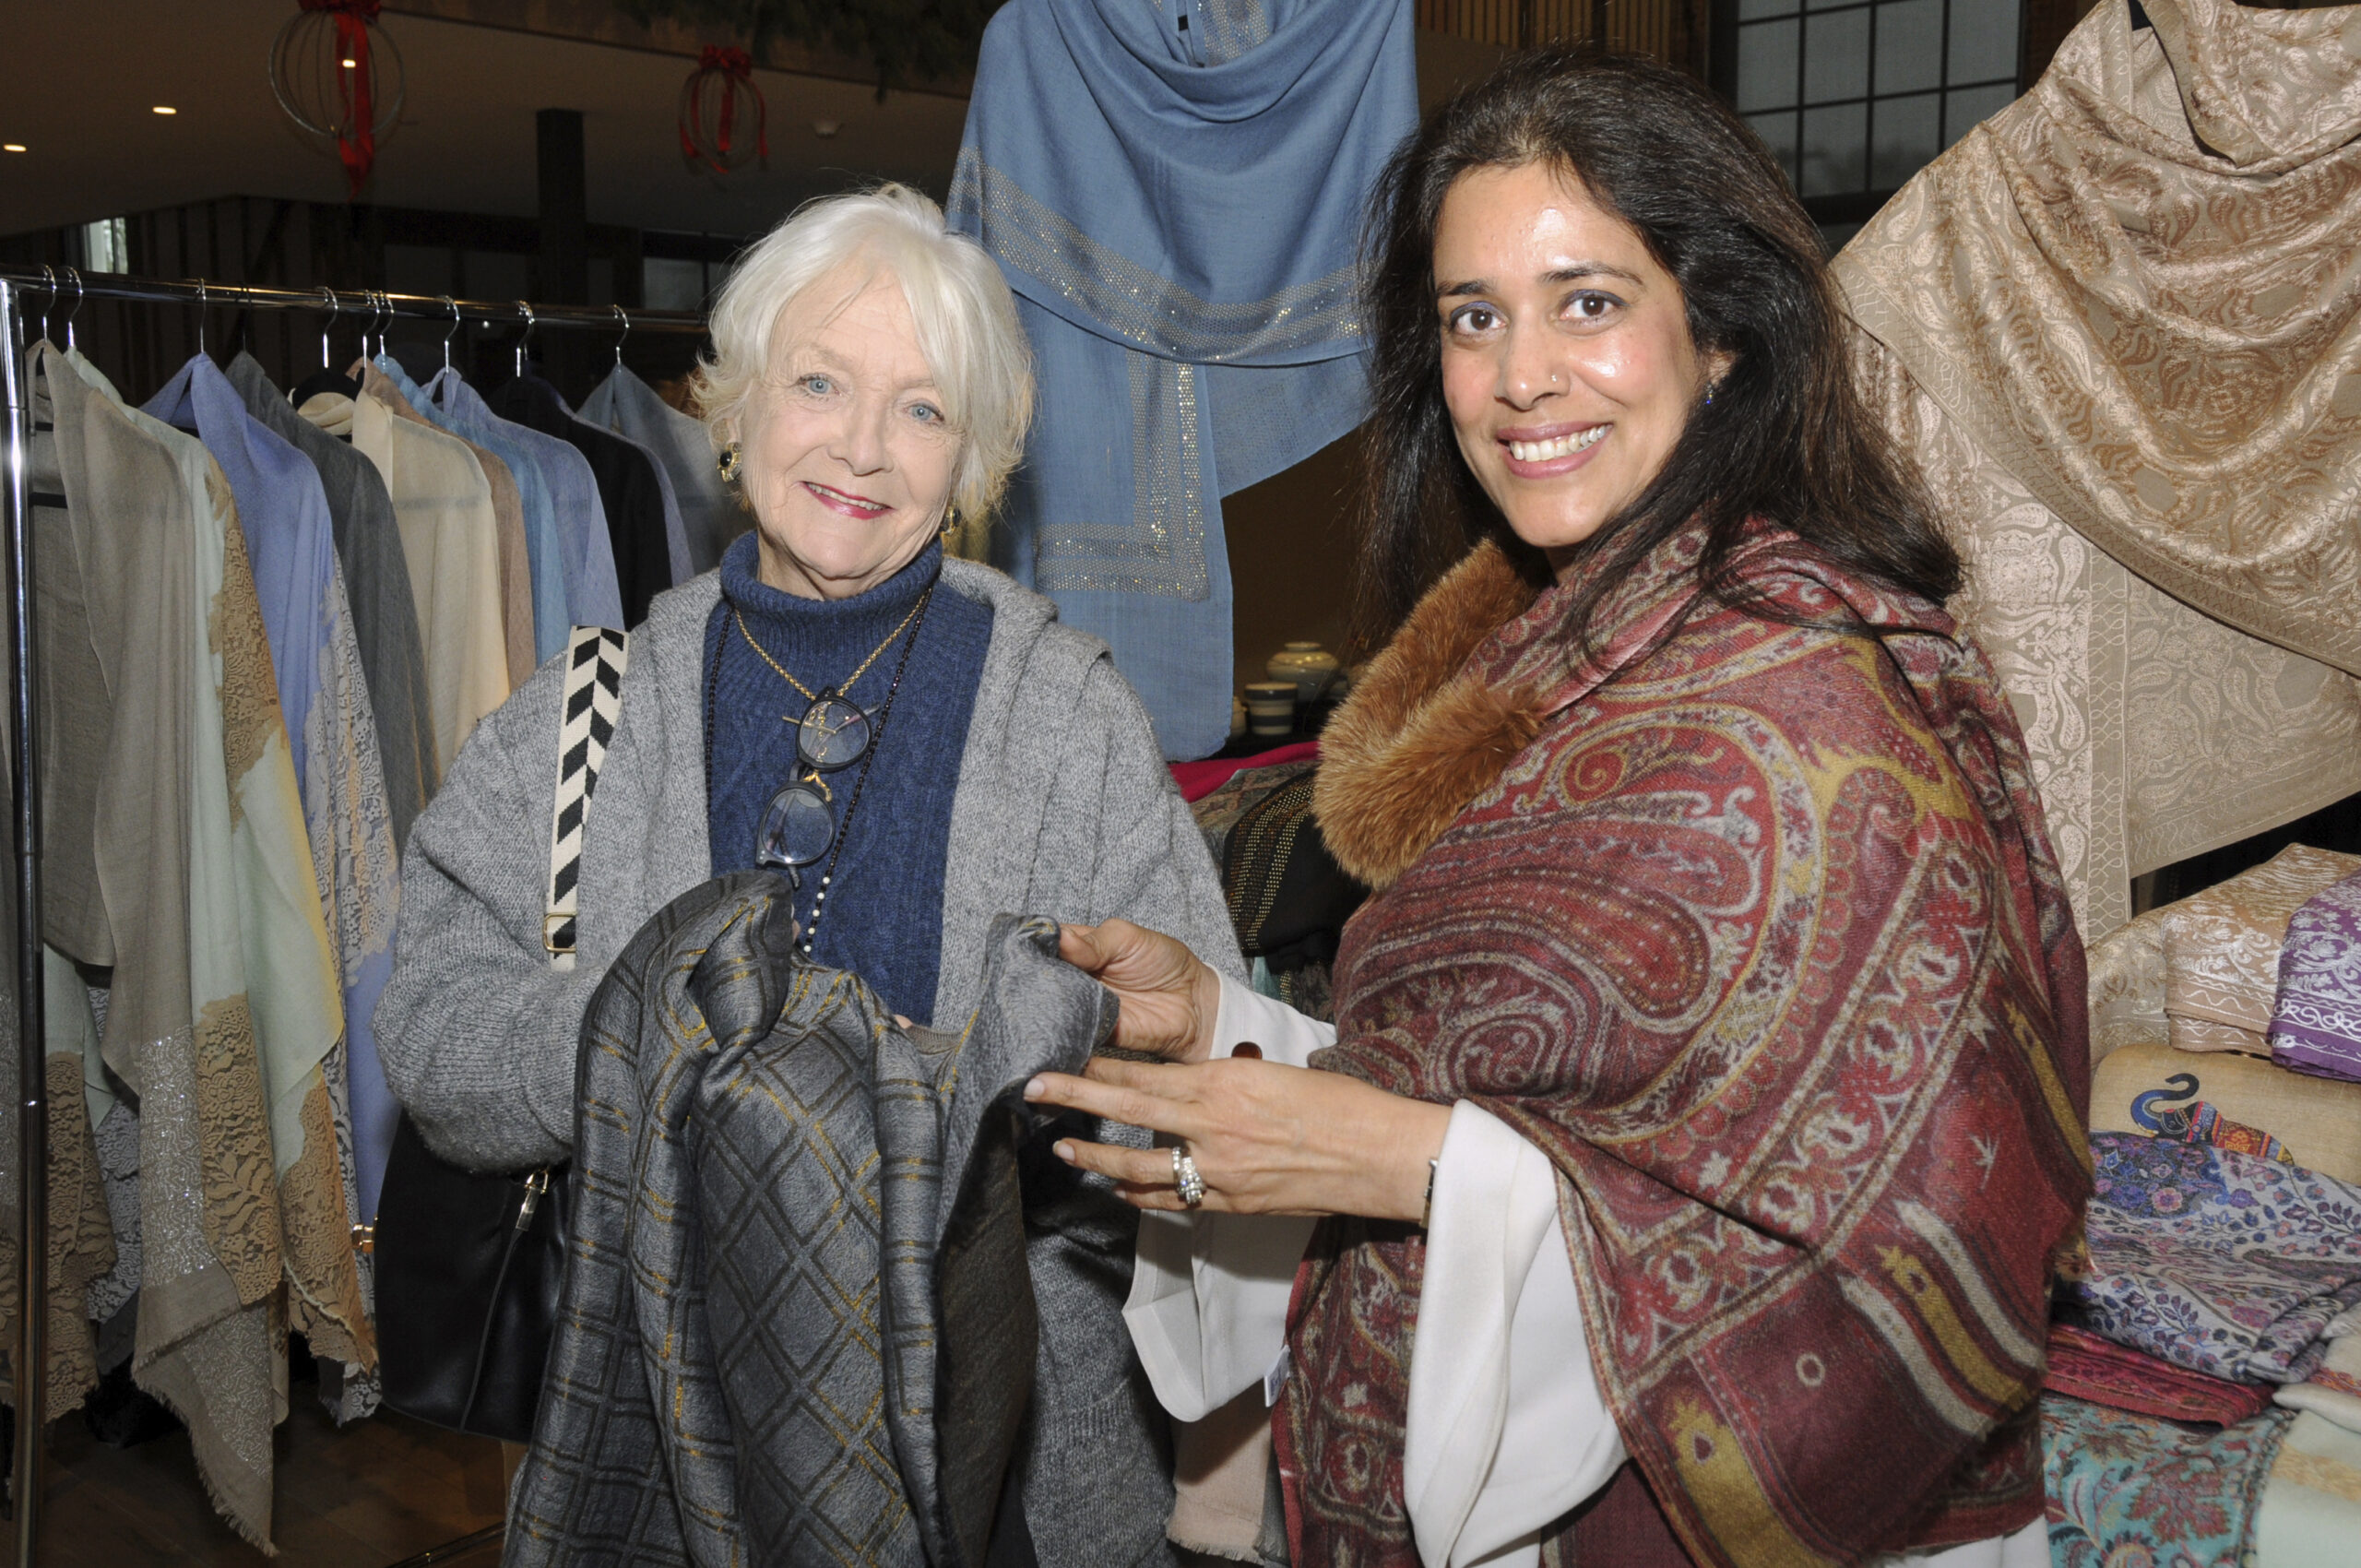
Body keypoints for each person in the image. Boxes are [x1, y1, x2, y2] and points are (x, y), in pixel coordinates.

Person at [1026, 49, 2089, 1568]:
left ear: (1718, 335)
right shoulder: (1535, 664)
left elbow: (1890, 1228)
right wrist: (1221, 1038)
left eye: (1586, 300)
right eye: (1474, 317)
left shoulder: (1815, 709)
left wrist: (1394, 1169)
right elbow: (1534, 1092)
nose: (1521, 375)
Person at [375, 182, 1239, 1182]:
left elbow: (1195, 1073)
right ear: (735, 405)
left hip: (979, 1337)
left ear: (968, 460)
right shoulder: (594, 711)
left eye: (921, 408)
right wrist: (639, 1042)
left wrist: (990, 1098)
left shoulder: (1064, 721)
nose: (862, 448)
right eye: (819, 385)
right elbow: (432, 1024)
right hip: (650, 1331)